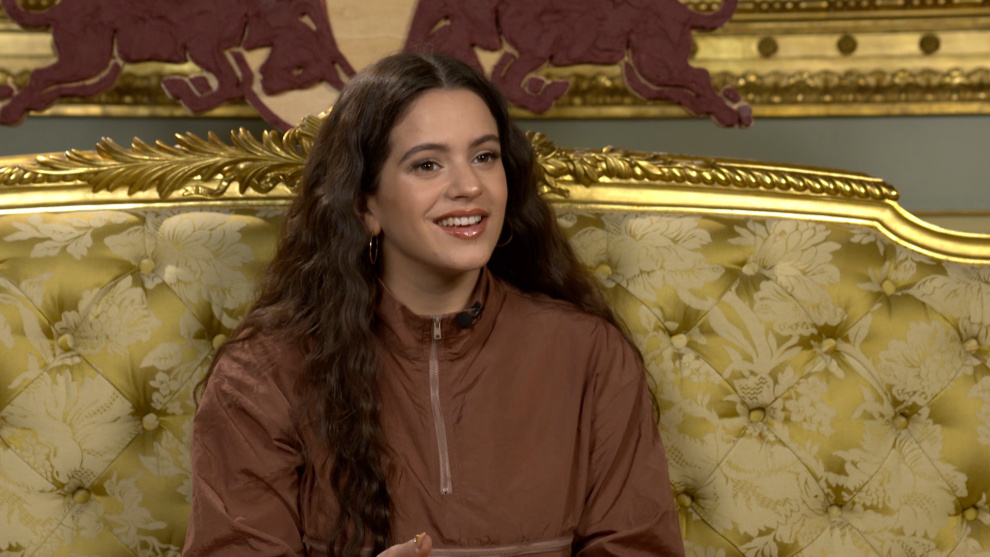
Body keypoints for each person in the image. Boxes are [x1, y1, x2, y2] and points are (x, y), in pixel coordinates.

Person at [183, 52, 684, 557]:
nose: (469, 186)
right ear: (364, 204)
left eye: (484, 157)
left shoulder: (591, 355)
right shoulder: (262, 375)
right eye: (427, 164)